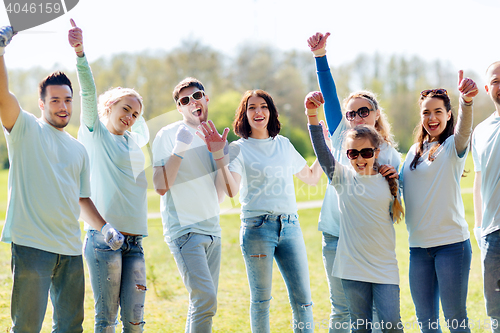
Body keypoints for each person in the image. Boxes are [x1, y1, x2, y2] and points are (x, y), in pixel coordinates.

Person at [0, 26, 123, 332]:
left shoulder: (78, 149)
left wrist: (105, 228)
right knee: (27, 327)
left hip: (69, 251)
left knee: (71, 327)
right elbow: (2, 96)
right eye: (55, 100)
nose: (63, 106)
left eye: (67, 100)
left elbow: (81, 198)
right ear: (41, 104)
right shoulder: (25, 129)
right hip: (32, 246)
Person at [197, 89, 322, 333]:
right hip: (257, 229)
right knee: (262, 301)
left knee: (304, 301)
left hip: (290, 227)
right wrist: (220, 157)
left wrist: (326, 146)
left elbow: (311, 177)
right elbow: (232, 191)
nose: (258, 112)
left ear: (271, 112)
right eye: (252, 107)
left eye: (263, 106)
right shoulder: (238, 148)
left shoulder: (283, 144)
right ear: (244, 114)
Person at [307, 32, 401, 332]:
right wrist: (320, 56)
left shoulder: (389, 155)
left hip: (370, 243)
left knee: (377, 315)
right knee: (342, 310)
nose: (358, 116)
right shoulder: (340, 138)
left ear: (376, 115)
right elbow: (330, 96)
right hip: (336, 236)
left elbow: (396, 200)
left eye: (364, 111)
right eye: (352, 113)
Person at [68, 20, 149, 331]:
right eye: (126, 109)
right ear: (111, 105)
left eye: (135, 114)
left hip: (135, 241)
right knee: (107, 321)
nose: (129, 117)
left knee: (135, 321)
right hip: (105, 239)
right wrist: (80, 52)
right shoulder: (94, 133)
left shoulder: (132, 141)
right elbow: (88, 93)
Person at [399, 72, 478, 332]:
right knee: (426, 323)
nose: (431, 118)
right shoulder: (413, 152)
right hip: (418, 249)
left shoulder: (453, 147)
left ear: (447, 114)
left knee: (455, 320)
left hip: (451, 246)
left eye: (437, 112)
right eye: (426, 112)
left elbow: (464, 129)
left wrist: (466, 101)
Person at [152, 77, 226, 333]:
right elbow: (161, 186)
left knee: (203, 303)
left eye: (197, 96)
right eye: (185, 100)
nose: (192, 102)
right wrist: (180, 148)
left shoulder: (215, 136)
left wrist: (219, 154)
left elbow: (224, 191)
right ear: (180, 108)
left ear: (206, 99)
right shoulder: (168, 134)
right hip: (184, 231)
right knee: (205, 299)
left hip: (213, 230)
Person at [471, 61, 500, 332]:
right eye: (496, 81)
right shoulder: (480, 131)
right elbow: (477, 180)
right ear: (487, 88)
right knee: (496, 311)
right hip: (492, 233)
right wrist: (479, 228)